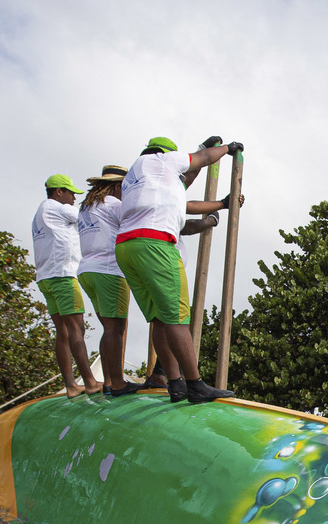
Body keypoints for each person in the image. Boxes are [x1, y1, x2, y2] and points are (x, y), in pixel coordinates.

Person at [115, 136, 240, 403]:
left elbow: (184, 187)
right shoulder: (163, 160)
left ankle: (175, 384)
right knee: (178, 319)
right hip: (156, 245)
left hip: (126, 247)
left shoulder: (136, 178)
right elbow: (201, 161)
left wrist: (221, 204)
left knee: (159, 320)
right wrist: (226, 149)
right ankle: (195, 385)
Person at [32, 173, 100, 397]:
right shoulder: (56, 207)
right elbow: (87, 217)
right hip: (62, 275)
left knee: (62, 332)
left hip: (46, 277)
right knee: (76, 329)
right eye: (71, 193)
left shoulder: (40, 212)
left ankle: (71, 385)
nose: (73, 199)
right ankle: (90, 382)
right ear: (58, 191)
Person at [75, 163, 139, 396]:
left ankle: (110, 381)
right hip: (109, 269)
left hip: (87, 270)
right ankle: (118, 382)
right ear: (117, 186)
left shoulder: (87, 207)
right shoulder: (114, 204)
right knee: (117, 327)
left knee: (108, 328)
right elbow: (138, 221)